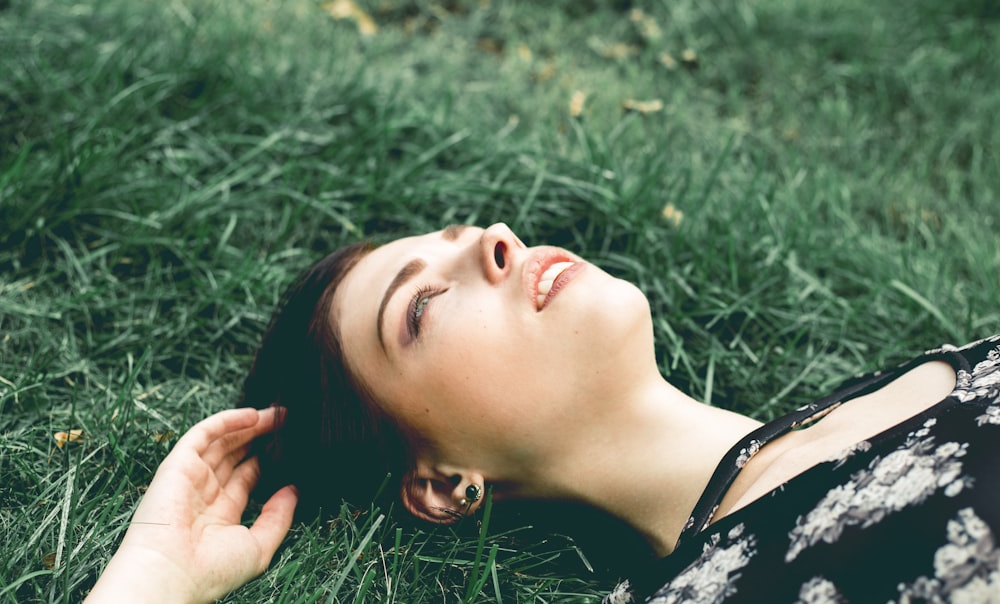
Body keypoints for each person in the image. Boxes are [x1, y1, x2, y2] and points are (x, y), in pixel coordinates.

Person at [87, 223, 1000, 602]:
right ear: (443, 482)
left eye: (465, 234)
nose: (499, 240)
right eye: (421, 307)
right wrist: (151, 578)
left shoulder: (909, 379)